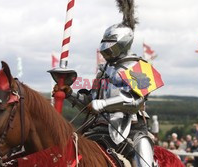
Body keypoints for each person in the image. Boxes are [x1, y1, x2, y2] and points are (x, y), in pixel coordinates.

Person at [53, 0, 163, 166]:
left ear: (122, 42)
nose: (106, 46)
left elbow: (136, 102)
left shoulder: (140, 66)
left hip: (130, 129)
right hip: (98, 128)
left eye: (110, 42)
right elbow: (91, 102)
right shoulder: (104, 69)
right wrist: (69, 94)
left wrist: (103, 104)